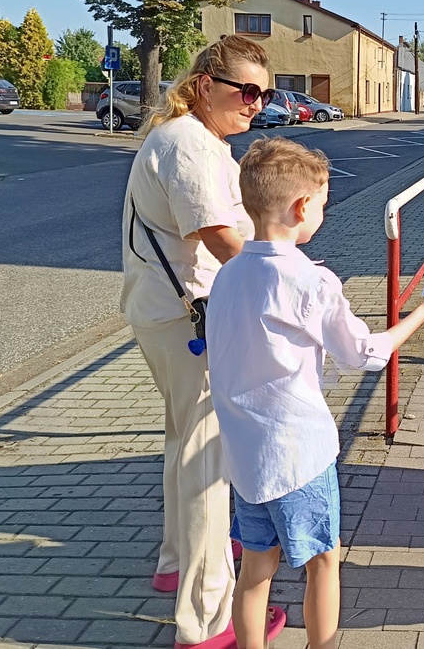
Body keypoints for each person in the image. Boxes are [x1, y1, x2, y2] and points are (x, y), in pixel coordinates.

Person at [205, 137, 424, 649]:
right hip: (300, 453)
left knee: (256, 569)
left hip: (246, 457)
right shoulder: (312, 280)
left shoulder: (226, 275)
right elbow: (364, 353)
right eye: (321, 203)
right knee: (323, 561)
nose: (321, 211)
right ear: (301, 207)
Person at [121, 34, 276, 649]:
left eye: (263, 93)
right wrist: (283, 284)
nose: (255, 103)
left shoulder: (196, 138)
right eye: (244, 89)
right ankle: (210, 622)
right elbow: (216, 234)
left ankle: (175, 565)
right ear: (206, 82)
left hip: (174, 314)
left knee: (185, 444)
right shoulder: (188, 141)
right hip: (193, 318)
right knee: (207, 464)